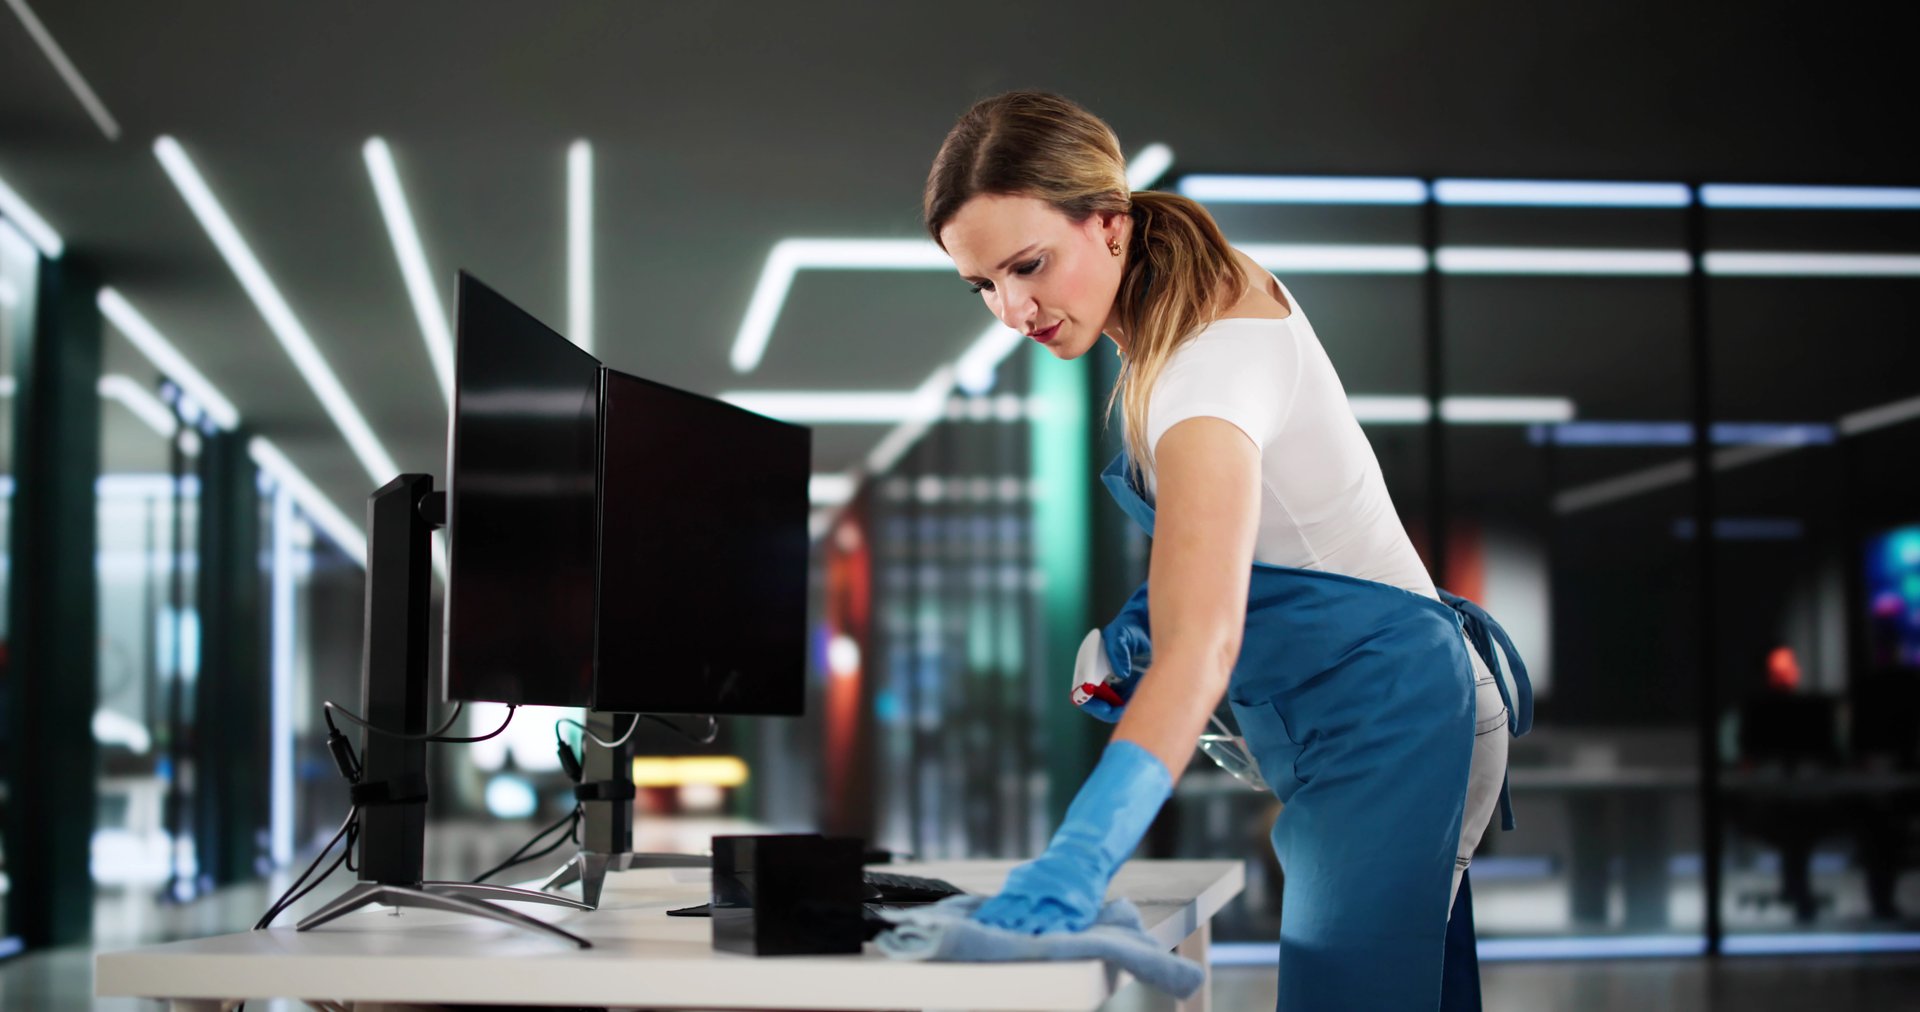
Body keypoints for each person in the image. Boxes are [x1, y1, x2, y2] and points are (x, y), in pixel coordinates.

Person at [922, 91, 1532, 1011]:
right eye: (983, 285)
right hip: (1361, 705)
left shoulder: (1204, 371)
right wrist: (1144, 627)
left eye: (1029, 265)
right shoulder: (1178, 310)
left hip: (1396, 716)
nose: (1012, 309)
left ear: (1110, 225)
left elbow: (1203, 645)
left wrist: (1077, 861)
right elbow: (1279, 560)